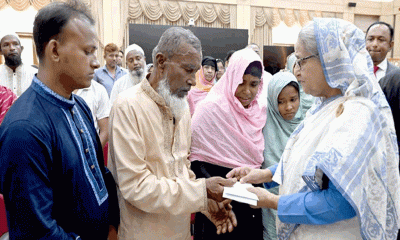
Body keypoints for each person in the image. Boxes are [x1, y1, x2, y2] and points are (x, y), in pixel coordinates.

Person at [227, 18, 400, 240]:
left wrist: (272, 201)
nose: (296, 71)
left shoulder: (356, 113)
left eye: (301, 61)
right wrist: (264, 175)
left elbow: (341, 202)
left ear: (329, 60)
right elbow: (309, 164)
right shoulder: (324, 106)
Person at [108, 26, 237, 240]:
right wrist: (202, 191)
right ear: (161, 62)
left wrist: (206, 205)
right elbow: (136, 187)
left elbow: (181, 169)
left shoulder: (181, 105)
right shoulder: (127, 107)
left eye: (195, 71)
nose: (193, 81)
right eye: (187, 70)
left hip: (181, 232)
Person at [0, 1, 114, 239]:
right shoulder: (25, 128)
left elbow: (98, 174)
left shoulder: (79, 105)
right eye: (88, 51)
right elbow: (36, 231)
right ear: (54, 51)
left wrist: (112, 225)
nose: (96, 62)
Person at [190, 48, 266, 240]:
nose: (247, 91)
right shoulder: (209, 109)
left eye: (254, 84)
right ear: (231, 78)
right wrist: (215, 194)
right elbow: (194, 161)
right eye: (241, 83)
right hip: (217, 205)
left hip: (249, 206)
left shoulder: (259, 114)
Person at [261, 72, 304, 240]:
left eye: (293, 100)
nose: (288, 107)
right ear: (272, 102)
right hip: (268, 201)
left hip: (298, 202)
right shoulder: (263, 124)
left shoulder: (307, 125)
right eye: (281, 102)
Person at [73, 80, 111, 148]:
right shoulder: (54, 87)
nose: (94, 69)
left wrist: (93, 153)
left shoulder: (98, 90)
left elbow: (105, 131)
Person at [0, 31, 37, 97]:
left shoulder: (36, 74)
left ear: (21, 49)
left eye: (15, 44)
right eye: (6, 45)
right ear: (1, 51)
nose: (12, 48)